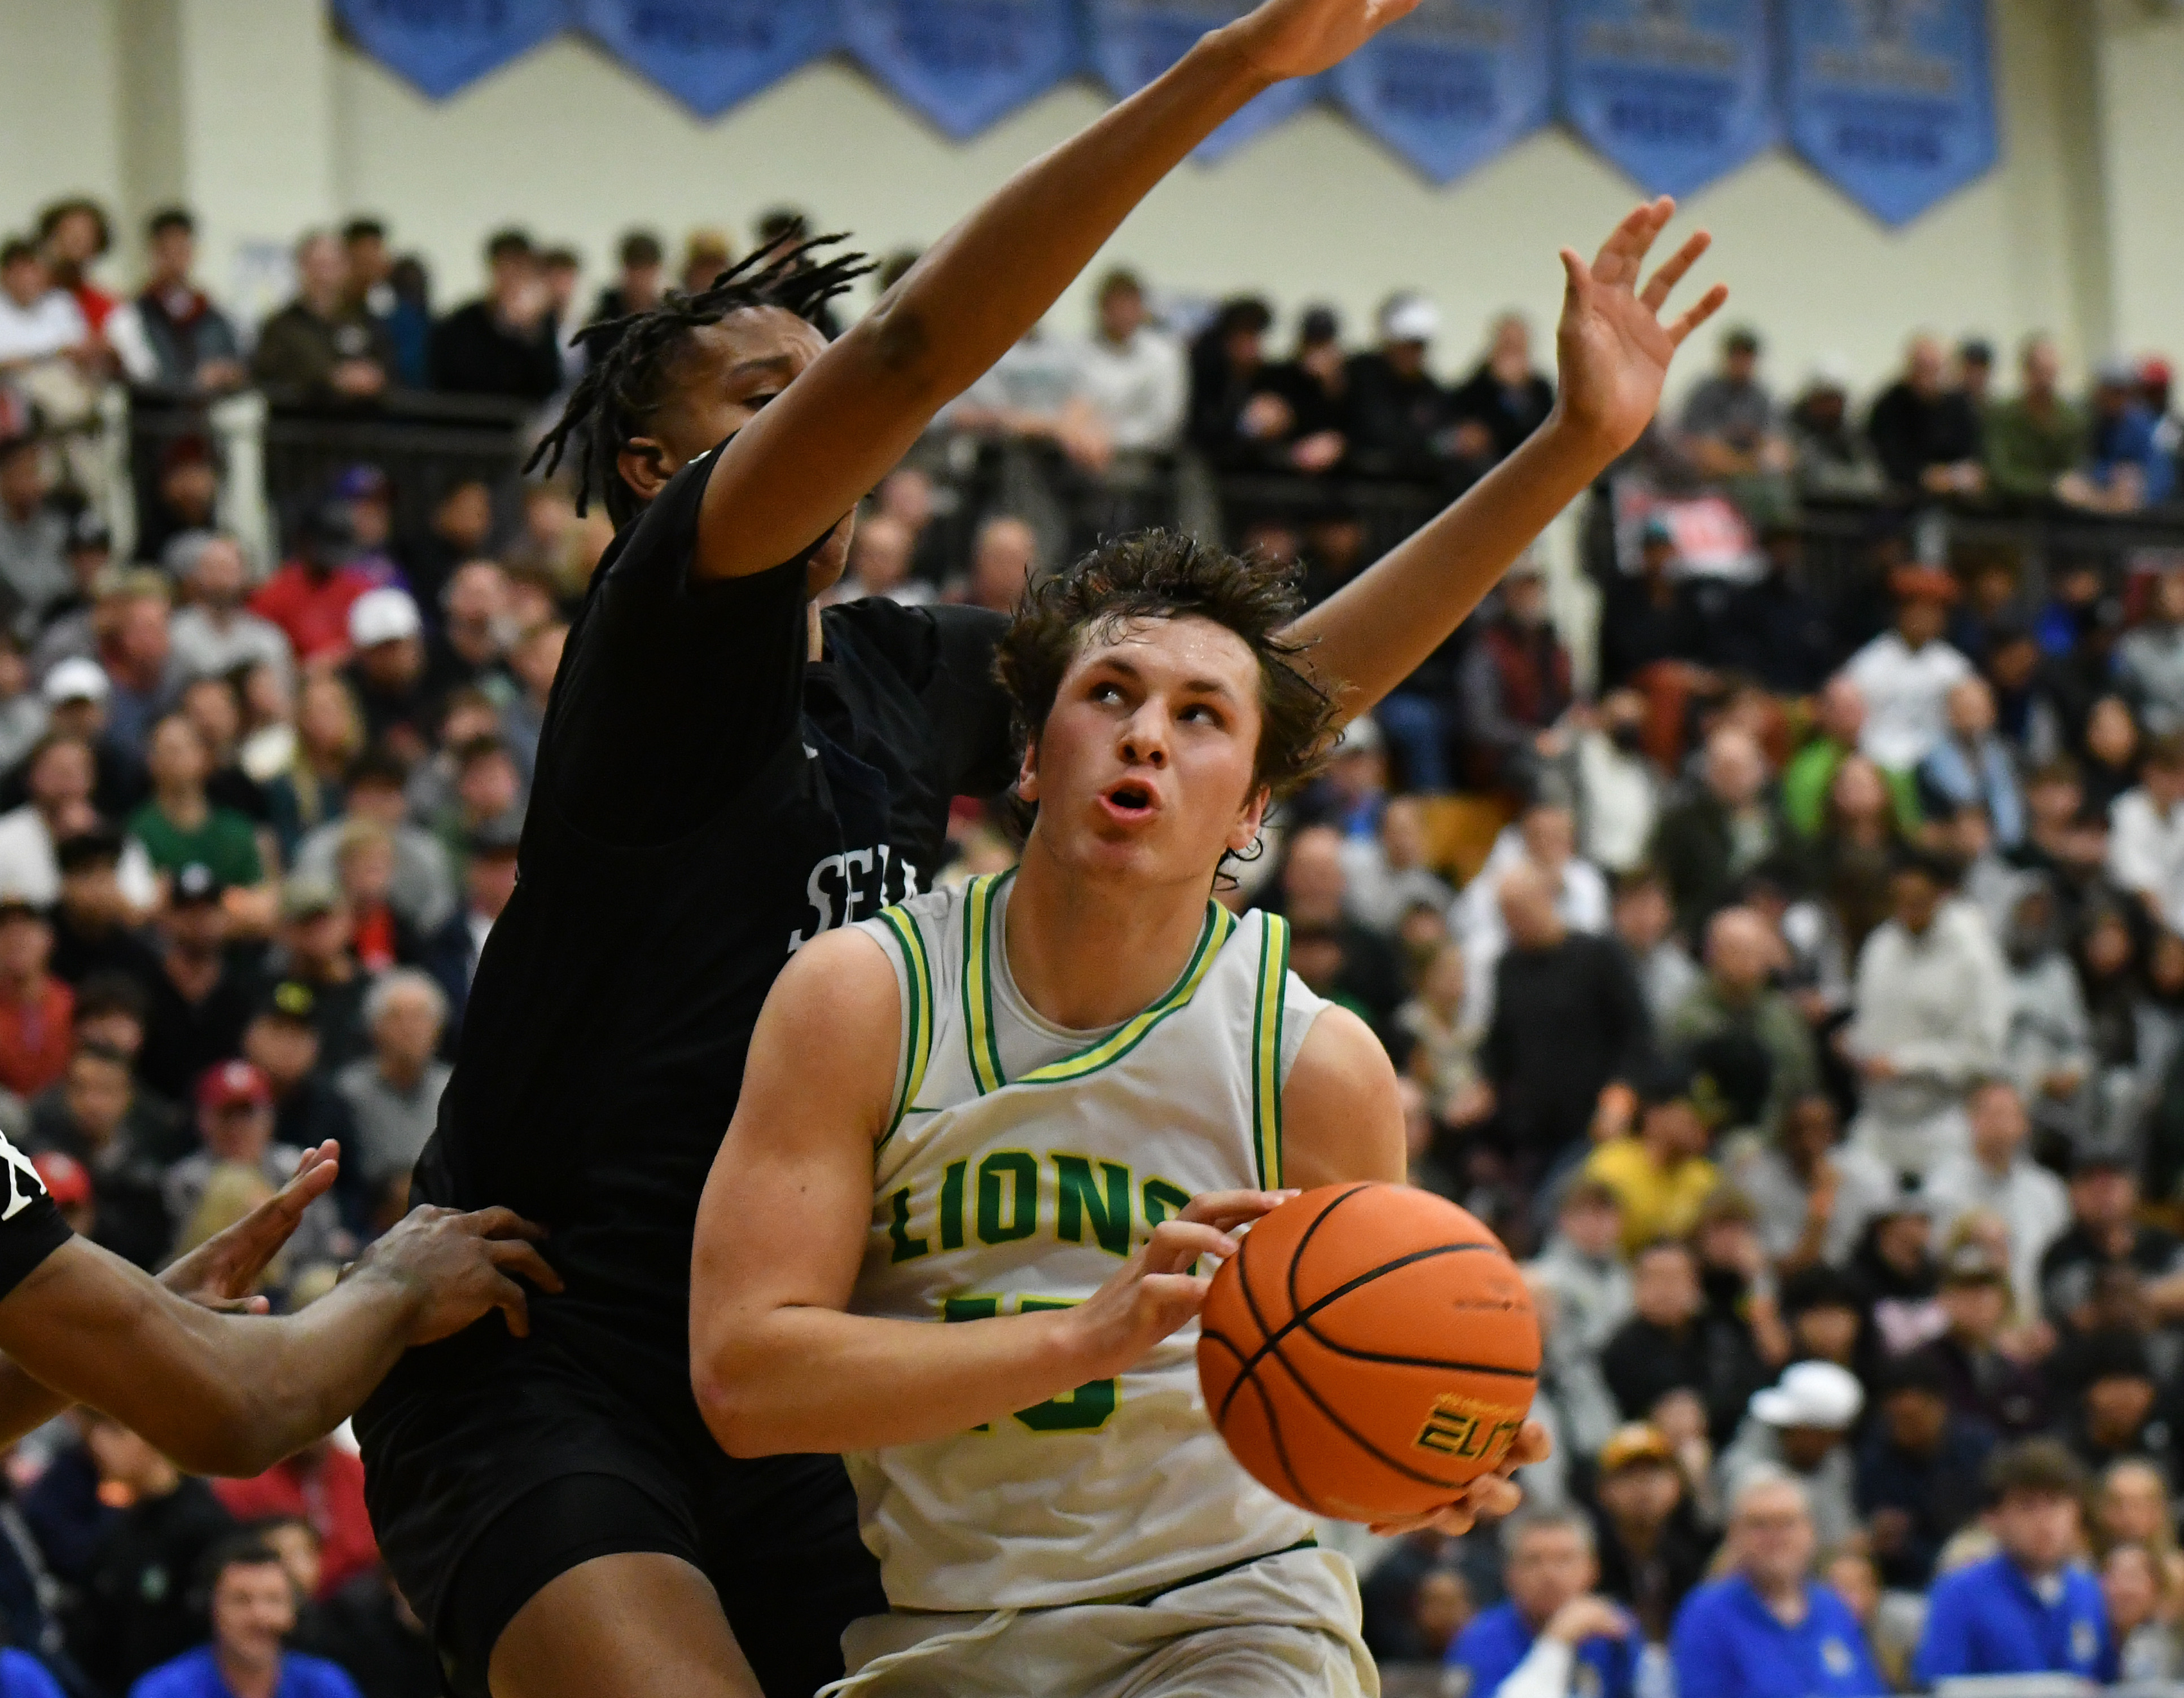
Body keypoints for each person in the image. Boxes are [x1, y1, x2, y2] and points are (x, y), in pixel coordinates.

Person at [359, 24, 1727, 1698]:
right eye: (769, 396)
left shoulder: (899, 669)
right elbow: (920, 347)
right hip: (543, 1348)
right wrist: (1231, 68)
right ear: (658, 469)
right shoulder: (666, 621)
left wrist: (1568, 454)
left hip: (814, 1352)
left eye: (826, 377)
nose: (832, 412)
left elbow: (1269, 701)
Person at [690, 532, 1550, 1696]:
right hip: (942, 1636)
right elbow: (745, 1378)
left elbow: (1360, 1392)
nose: (1146, 732)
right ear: (1033, 758)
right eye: (1110, 695)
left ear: (1252, 807)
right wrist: (1076, 1339)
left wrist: (1427, 1453)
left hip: (1231, 1618)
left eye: (1202, 714)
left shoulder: (1312, 1058)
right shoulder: (866, 994)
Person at [1843, 852, 2008, 1179]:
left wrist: (1904, 1063)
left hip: (1945, 1123)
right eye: (1898, 900)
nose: (1907, 910)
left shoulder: (1974, 954)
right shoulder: (1880, 944)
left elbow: (1985, 1054)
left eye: (1917, 900)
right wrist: (1852, 1044)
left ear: (1942, 894)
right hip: (1877, 1120)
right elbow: (1868, 1026)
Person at [1484, 863, 1653, 1174]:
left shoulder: (1599, 956)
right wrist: (1485, 1086)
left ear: (1547, 899)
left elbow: (1636, 1034)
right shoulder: (1508, 968)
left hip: (1593, 1125)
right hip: (1530, 1132)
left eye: (1520, 910)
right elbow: (1500, 1045)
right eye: (1506, 914)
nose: (1513, 923)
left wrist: (1623, 1093)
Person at [1914, 1439, 2117, 1683]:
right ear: (1993, 1519)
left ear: (2077, 1513)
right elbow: (1940, 1687)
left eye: (2055, 1504)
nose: (2044, 1521)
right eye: (2027, 1506)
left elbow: (2105, 1684)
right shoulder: (1958, 1594)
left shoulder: (2088, 1590)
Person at [128, 1534, 363, 1698]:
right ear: (210, 1609)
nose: (260, 1617)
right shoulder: (164, 1691)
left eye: (274, 1600)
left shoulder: (325, 1685)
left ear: (295, 1611)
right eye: (241, 1600)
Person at [1445, 1511, 1635, 1698]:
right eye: (1533, 1560)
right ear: (1509, 1573)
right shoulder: (1480, 1639)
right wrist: (1558, 1639)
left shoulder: (1614, 1627)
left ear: (1593, 1568)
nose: (1549, 1574)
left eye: (1564, 1559)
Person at [1926, 1078, 2072, 1314]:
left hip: (2039, 1314)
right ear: (1972, 1121)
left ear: (2025, 1125)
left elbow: (2062, 1259)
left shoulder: (2047, 1190)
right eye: (1992, 1114)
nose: (2001, 1125)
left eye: (2009, 1115)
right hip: (1969, 1313)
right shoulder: (1942, 1185)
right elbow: (1933, 1256)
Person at [1717, 1364, 1865, 1555]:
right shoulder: (1746, 1464)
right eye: (1828, 1435)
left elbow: (1841, 1536)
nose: (1834, 1444)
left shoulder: (1835, 1462)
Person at [108, 208, 244, 393]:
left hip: (204, 416)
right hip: (151, 416)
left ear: (193, 252)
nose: (174, 260)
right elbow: (139, 377)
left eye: (181, 250)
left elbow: (238, 367)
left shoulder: (214, 317)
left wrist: (229, 375)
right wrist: (195, 381)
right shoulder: (129, 317)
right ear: (153, 254)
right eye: (166, 251)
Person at [250, 232, 389, 401]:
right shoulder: (280, 327)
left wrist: (372, 378)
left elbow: (389, 372)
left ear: (345, 269)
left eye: (332, 265)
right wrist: (329, 380)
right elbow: (265, 381)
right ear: (302, 268)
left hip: (359, 422)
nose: (324, 275)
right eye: (317, 265)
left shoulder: (366, 322)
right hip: (301, 421)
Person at [432, 230, 563, 405]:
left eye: (520, 270)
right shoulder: (461, 323)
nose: (512, 280)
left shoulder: (541, 324)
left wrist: (529, 334)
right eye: (505, 269)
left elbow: (550, 385)